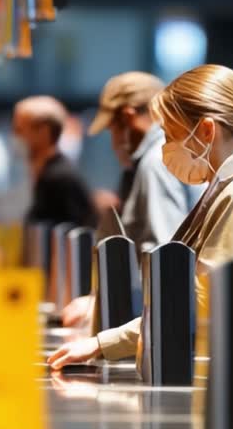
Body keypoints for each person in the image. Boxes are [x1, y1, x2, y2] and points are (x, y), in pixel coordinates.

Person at [48, 65, 233, 370]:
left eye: (170, 135)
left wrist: (103, 343)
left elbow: (198, 303)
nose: (165, 149)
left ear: (206, 131)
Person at [60, 71, 204, 326]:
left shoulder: (155, 163)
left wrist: (103, 305)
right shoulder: (164, 157)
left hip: (164, 325)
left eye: (112, 130)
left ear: (127, 117)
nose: (113, 142)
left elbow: (165, 255)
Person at [16, 95, 95, 228]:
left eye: (19, 129)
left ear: (43, 131)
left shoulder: (59, 178)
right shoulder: (47, 174)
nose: (16, 136)